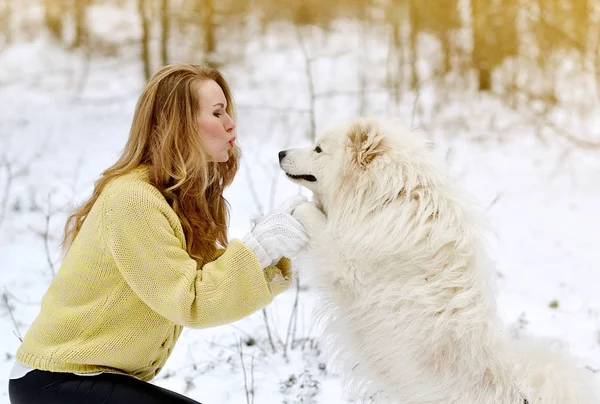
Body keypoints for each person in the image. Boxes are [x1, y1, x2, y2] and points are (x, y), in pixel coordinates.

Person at [8, 63, 310, 404]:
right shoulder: (133, 199)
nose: (230, 123)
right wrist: (261, 245)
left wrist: (276, 247)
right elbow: (193, 301)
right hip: (57, 379)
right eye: (217, 112)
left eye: (228, 111)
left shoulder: (170, 200)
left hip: (84, 379)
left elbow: (211, 278)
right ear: (178, 125)